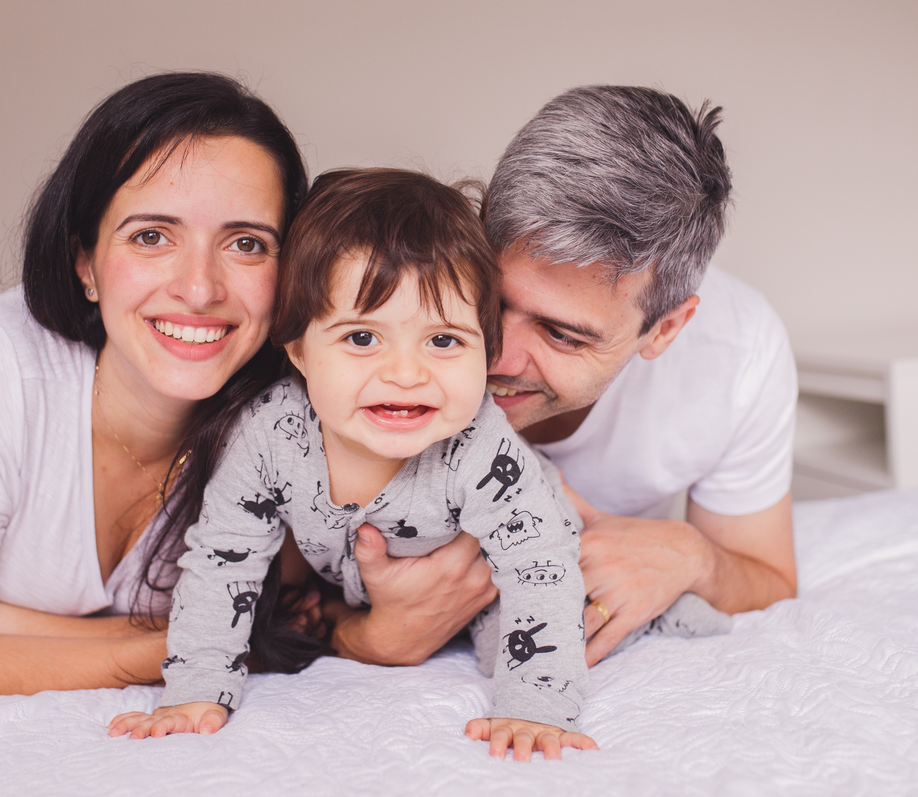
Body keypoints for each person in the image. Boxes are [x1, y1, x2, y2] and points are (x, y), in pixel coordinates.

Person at [0, 72, 309, 706]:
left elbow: (304, 609)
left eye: (246, 243)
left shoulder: (288, 422)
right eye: (151, 236)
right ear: (85, 262)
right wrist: (160, 648)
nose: (200, 288)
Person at [109, 168, 597, 761]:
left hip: (518, 562)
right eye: (362, 339)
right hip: (378, 593)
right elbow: (222, 561)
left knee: (527, 648)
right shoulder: (269, 436)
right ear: (298, 351)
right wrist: (194, 691)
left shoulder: (479, 446)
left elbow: (538, 568)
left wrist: (532, 709)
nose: (406, 374)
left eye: (444, 341)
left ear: (486, 352)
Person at [330, 85, 798, 669]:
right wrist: (371, 637)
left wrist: (691, 556)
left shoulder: (738, 352)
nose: (496, 358)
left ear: (664, 330)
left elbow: (770, 579)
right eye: (495, 300)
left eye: (563, 335)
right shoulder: (363, 307)